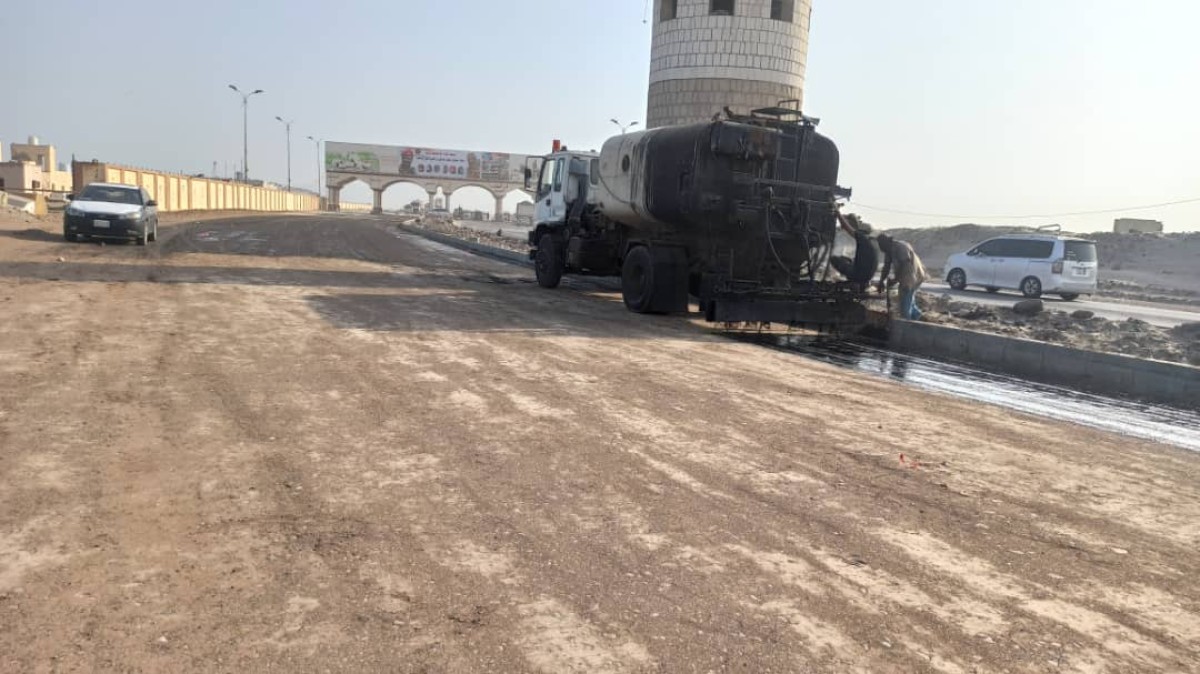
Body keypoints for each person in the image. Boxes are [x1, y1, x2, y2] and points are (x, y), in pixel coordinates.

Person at [876, 233, 928, 320]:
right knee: (909, 301)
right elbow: (886, 267)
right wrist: (881, 282)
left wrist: (896, 279)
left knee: (904, 307)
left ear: (887, 242)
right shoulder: (889, 250)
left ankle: (907, 328)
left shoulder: (901, 247)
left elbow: (905, 264)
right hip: (907, 276)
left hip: (912, 276)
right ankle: (919, 319)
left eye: (881, 245)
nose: (881, 248)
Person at [830, 212, 879, 288]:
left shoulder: (862, 238)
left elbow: (847, 227)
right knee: (846, 259)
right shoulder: (873, 241)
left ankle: (854, 281)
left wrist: (838, 213)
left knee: (834, 259)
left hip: (859, 275)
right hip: (868, 276)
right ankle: (858, 281)